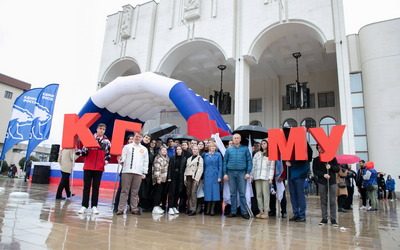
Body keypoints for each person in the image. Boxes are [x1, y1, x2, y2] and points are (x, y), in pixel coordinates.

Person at [77, 123, 111, 214]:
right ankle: (84, 206)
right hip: (88, 166)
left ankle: (94, 206)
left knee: (96, 187)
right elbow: (84, 152)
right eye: (100, 128)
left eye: (103, 129)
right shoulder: (89, 139)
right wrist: (79, 152)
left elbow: (108, 154)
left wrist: (105, 161)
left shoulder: (107, 142)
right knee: (86, 187)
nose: (102, 130)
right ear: (96, 129)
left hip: (99, 168)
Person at [116, 132, 149, 215]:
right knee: (124, 191)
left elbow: (146, 161)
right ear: (134, 137)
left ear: (141, 138)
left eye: (139, 137)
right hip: (127, 171)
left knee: (135, 192)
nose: (137, 138)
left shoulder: (144, 149)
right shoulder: (127, 147)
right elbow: (123, 157)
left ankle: (134, 208)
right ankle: (120, 209)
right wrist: (121, 160)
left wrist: (144, 172)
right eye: (136, 136)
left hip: (138, 173)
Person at [285, 128, 313, 223]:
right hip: (291, 173)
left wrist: (292, 162)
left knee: (300, 195)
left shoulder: (304, 144)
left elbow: (308, 157)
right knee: (293, 194)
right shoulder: (289, 146)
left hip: (300, 173)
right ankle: (296, 213)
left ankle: (302, 215)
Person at [223, 133, 252, 220]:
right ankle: (233, 211)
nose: (236, 139)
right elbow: (225, 162)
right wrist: (225, 173)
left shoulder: (245, 149)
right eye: (234, 138)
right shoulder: (228, 150)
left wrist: (248, 172)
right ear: (232, 139)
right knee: (233, 194)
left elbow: (249, 161)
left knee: (242, 194)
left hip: (242, 173)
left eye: (237, 138)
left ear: (240, 139)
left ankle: (244, 212)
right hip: (231, 173)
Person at [312, 144, 339, 226]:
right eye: (318, 147)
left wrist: (330, 167)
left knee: (332, 200)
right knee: (323, 200)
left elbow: (337, 169)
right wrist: (323, 174)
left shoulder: (332, 158)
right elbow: (315, 171)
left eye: (321, 147)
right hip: (322, 182)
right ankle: (324, 218)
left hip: (332, 182)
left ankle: (333, 219)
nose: (320, 148)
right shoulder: (316, 160)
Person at [251, 139, 275, 219]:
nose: (263, 145)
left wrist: (270, 177)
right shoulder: (257, 154)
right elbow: (253, 166)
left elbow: (272, 167)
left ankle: (266, 212)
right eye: (262, 144)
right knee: (258, 194)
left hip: (265, 177)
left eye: (264, 143)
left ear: (268, 144)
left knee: (266, 195)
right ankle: (260, 211)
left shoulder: (271, 154)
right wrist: (252, 175)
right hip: (257, 177)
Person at [203, 142, 222, 216]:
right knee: (208, 192)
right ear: (209, 148)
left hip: (215, 175)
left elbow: (220, 166)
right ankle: (208, 208)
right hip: (207, 175)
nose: (212, 148)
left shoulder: (218, 155)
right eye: (211, 147)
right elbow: (204, 166)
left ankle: (212, 209)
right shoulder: (206, 155)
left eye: (213, 147)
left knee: (215, 192)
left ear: (215, 148)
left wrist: (219, 176)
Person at [167, 146, 187, 215]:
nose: (178, 150)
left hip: (180, 178)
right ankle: (170, 207)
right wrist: (169, 177)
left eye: (180, 149)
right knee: (172, 192)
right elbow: (169, 168)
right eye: (177, 149)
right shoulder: (172, 158)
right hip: (173, 177)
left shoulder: (184, 159)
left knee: (177, 192)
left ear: (182, 150)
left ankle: (174, 206)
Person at [184, 145, 204, 216]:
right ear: (192, 150)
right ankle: (189, 208)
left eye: (196, 149)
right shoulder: (189, 158)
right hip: (188, 176)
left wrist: (196, 179)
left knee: (193, 193)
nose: (195, 150)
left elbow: (200, 170)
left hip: (194, 178)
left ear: (198, 150)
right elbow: (186, 168)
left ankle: (193, 209)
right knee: (188, 193)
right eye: (194, 149)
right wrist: (185, 178)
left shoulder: (200, 159)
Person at [152, 146, 169, 214]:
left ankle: (158, 206)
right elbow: (157, 169)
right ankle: (155, 207)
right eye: (163, 150)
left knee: (162, 193)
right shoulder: (158, 158)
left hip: (165, 179)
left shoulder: (167, 158)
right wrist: (158, 178)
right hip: (159, 179)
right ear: (160, 151)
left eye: (165, 150)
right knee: (158, 193)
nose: (164, 151)